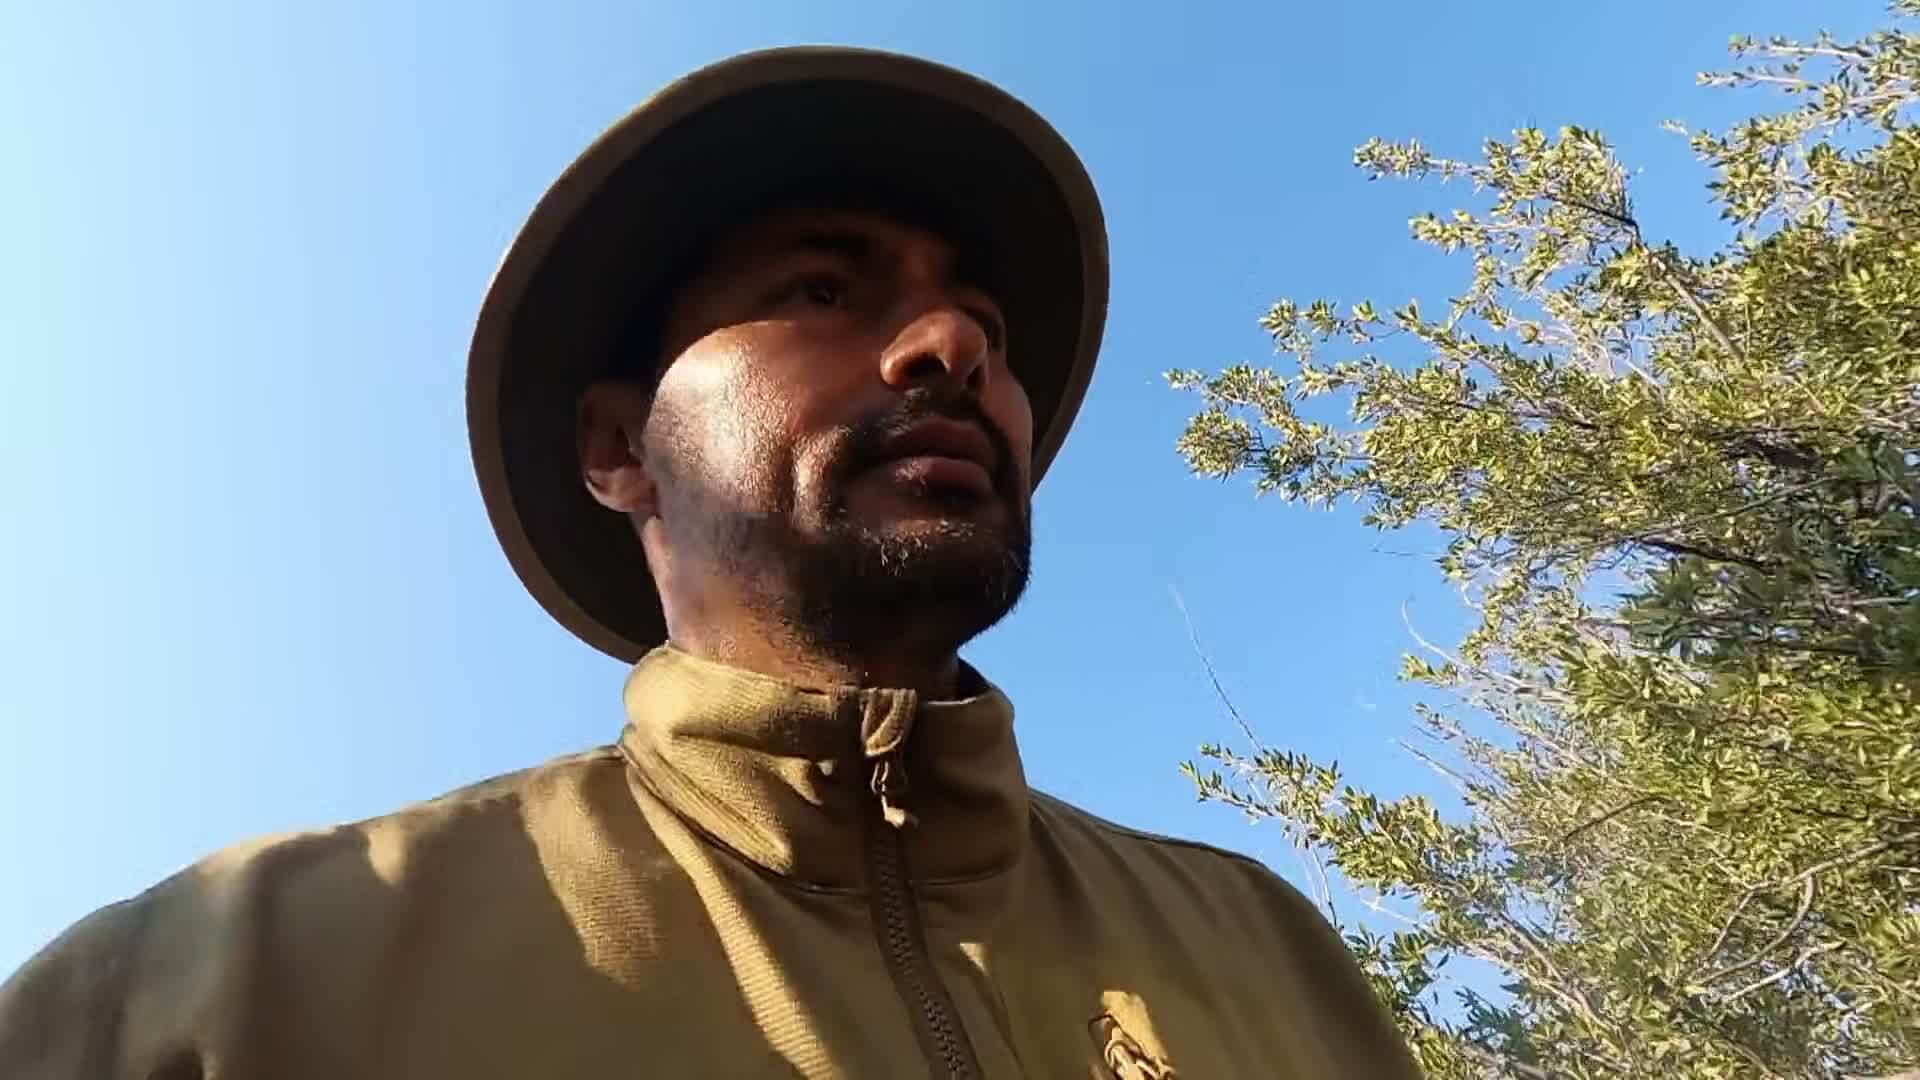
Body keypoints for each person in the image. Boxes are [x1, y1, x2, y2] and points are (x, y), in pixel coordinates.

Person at [0, 48, 1418, 1078]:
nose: (953, 348)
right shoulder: (241, 982)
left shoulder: (1266, 952)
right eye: (822, 288)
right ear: (619, 447)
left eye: (983, 327)